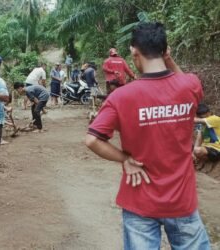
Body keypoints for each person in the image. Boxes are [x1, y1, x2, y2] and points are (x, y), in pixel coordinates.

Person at [85, 22, 210, 250]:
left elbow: (92, 139)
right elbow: (188, 86)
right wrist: (169, 60)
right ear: (165, 50)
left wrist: (125, 159)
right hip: (181, 200)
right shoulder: (189, 85)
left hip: (139, 198)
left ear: (134, 52)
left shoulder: (121, 97)